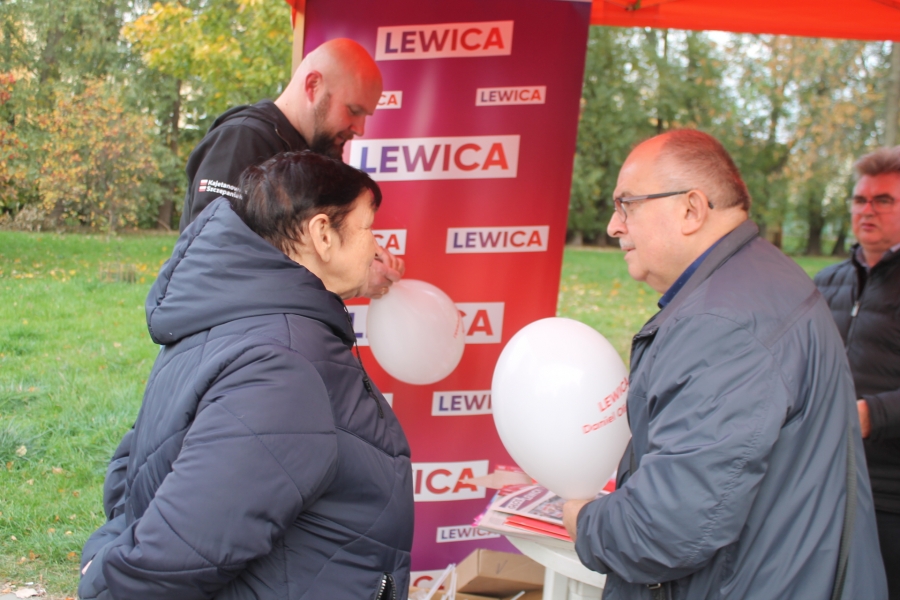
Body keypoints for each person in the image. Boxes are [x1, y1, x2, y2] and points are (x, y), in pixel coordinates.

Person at [561, 129, 887, 599]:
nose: (614, 226)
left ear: (691, 209)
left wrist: (584, 520)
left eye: (626, 204)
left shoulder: (722, 324)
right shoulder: (759, 277)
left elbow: (663, 530)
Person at [78, 151, 413, 600]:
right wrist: (102, 580)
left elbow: (136, 467)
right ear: (322, 235)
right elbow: (173, 556)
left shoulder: (225, 319)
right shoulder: (284, 368)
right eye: (368, 228)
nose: (376, 247)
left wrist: (103, 551)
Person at [179, 37, 403, 298]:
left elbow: (301, 249)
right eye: (353, 110)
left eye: (366, 116)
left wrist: (361, 258)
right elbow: (212, 258)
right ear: (313, 85)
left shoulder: (313, 154)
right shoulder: (241, 139)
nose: (360, 128)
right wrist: (351, 277)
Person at [814, 146, 900, 599]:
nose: (867, 210)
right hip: (824, 481)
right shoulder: (825, 283)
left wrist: (871, 414)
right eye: (860, 199)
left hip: (889, 495)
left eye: (883, 200)